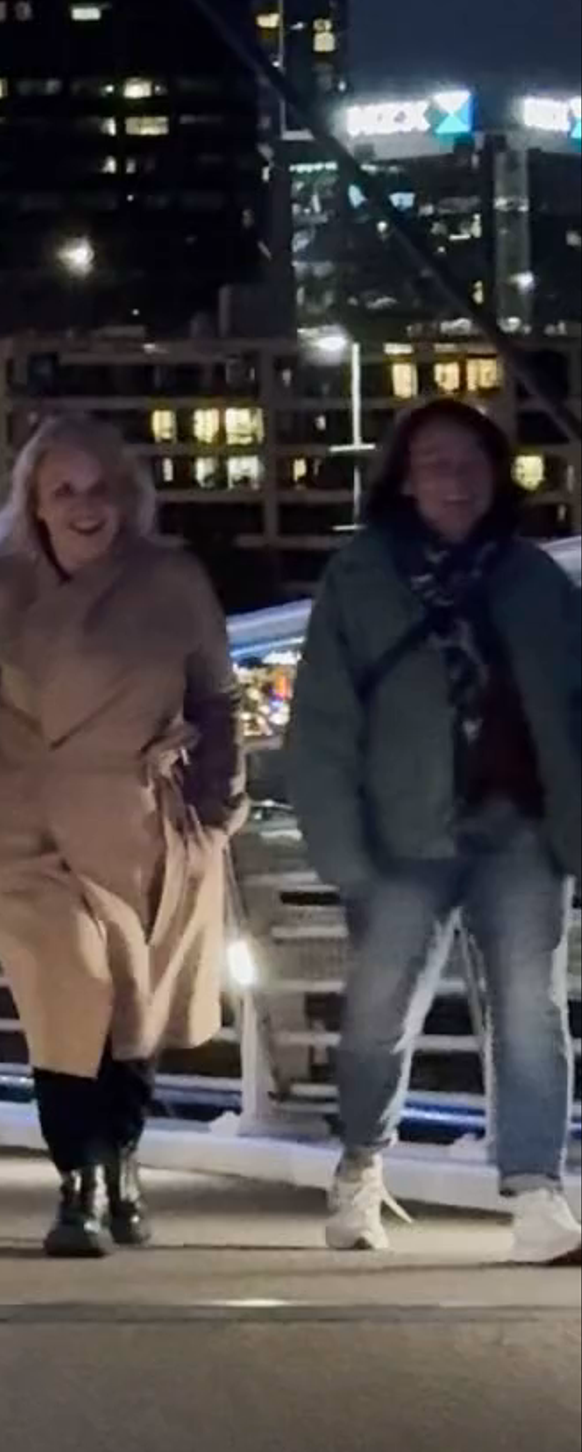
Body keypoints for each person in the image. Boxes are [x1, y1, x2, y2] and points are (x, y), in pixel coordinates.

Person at [0, 411, 238, 1256]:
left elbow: (216, 698)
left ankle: (121, 1161)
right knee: (71, 986)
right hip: (28, 828)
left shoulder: (174, 583)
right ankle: (79, 1179)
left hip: (145, 823)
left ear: (128, 497)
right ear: (33, 502)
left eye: (100, 488)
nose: (84, 505)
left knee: (133, 1001)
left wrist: (220, 807)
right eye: (63, 489)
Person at [286, 394, 582, 1262]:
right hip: (399, 834)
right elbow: (323, 720)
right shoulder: (360, 576)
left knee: (531, 1010)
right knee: (380, 1013)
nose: (455, 479)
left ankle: (536, 1191)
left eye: (471, 462)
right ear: (404, 481)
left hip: (520, 827)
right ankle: (361, 1164)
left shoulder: (535, 579)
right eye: (435, 464)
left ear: (498, 474)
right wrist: (341, 848)